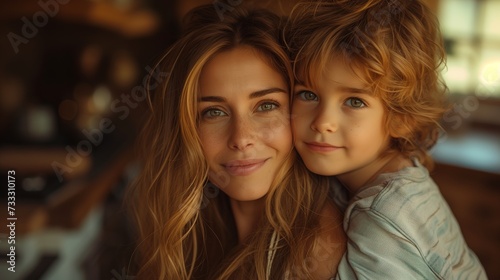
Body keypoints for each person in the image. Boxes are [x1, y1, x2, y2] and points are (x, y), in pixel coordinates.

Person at [128, 4, 346, 280]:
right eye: (214, 112)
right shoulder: (193, 231)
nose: (241, 138)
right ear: (186, 128)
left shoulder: (315, 252)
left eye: (266, 106)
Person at [285, 0, 487, 279]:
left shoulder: (383, 218)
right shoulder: (395, 172)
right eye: (308, 94)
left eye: (354, 101)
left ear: (402, 118)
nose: (322, 122)